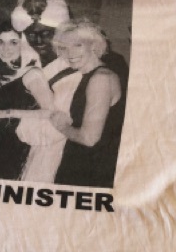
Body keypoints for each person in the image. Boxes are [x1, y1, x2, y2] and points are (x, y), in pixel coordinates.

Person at [49, 19, 128, 188]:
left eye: (77, 45)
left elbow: (89, 138)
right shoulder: (84, 75)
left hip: (92, 168)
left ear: (93, 45)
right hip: (80, 161)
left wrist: (61, 126)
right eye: (63, 47)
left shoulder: (101, 78)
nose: (69, 53)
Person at [0, 21, 54, 180]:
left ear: (24, 45)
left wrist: (7, 113)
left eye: (13, 42)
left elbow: (50, 112)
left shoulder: (32, 74)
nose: (5, 48)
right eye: (0, 42)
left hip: (10, 150)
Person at [10, 0, 71, 70]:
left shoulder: (72, 65)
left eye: (46, 33)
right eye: (31, 35)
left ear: (58, 32)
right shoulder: (19, 66)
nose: (39, 41)